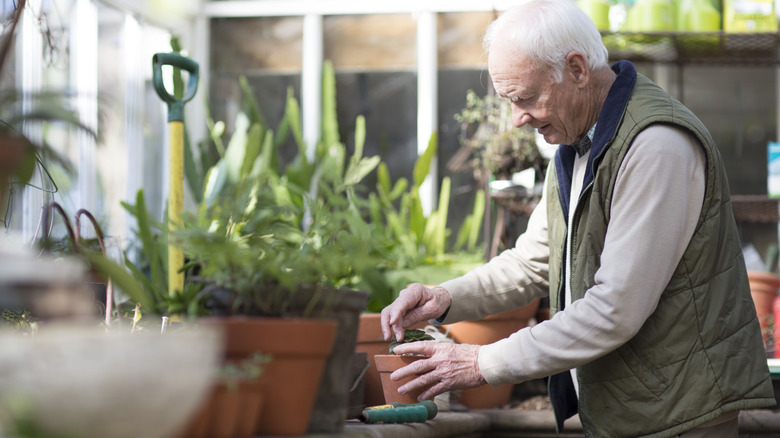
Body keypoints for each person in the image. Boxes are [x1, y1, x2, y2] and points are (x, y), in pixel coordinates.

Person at [380, 0, 776, 436]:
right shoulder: (575, 145)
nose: (516, 120)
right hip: (633, 409)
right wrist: (445, 299)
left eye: (526, 98)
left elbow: (615, 309)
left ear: (577, 69)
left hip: (680, 415)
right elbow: (534, 261)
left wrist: (482, 362)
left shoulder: (655, 145)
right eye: (509, 102)